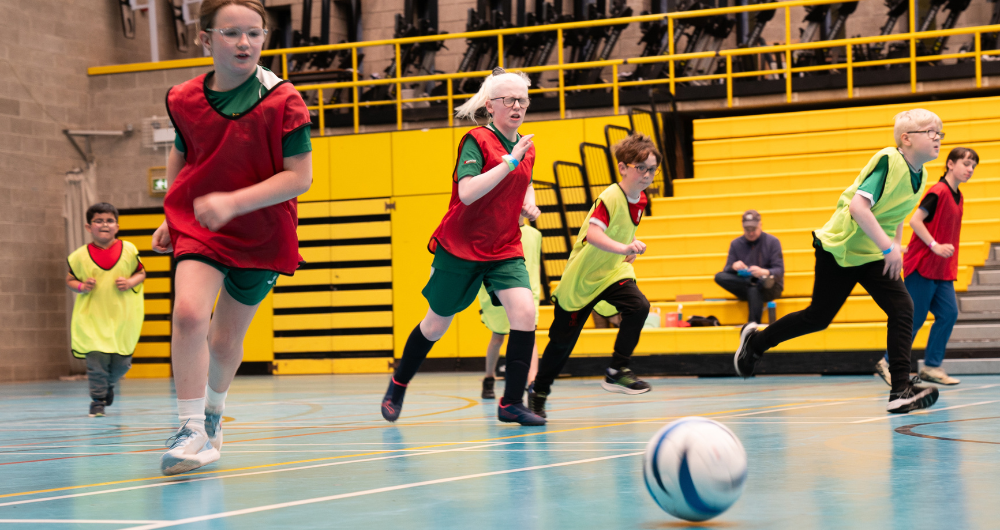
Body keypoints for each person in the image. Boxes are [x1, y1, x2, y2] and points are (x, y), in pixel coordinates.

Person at [151, 0, 313, 475]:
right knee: (187, 314)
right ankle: (190, 428)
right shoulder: (182, 98)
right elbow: (183, 154)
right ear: (204, 39)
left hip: (261, 230)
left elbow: (299, 177)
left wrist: (233, 202)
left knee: (223, 343)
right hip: (201, 226)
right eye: (232, 33)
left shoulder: (284, 100)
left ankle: (213, 415)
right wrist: (171, 212)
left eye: (255, 33)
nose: (245, 43)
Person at [734, 109, 943, 414]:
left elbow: (896, 213)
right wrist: (889, 247)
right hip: (840, 248)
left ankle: (900, 389)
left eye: (940, 132)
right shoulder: (889, 160)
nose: (937, 137)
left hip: (872, 253)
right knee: (818, 318)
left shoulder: (920, 174)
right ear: (907, 139)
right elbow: (859, 207)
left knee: (903, 308)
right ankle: (755, 342)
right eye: (931, 132)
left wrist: (895, 244)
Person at [380, 67, 545, 426]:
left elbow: (523, 182)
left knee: (525, 314)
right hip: (461, 246)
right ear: (491, 105)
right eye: (509, 100)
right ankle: (398, 383)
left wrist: (528, 201)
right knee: (436, 326)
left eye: (522, 100)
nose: (517, 106)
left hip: (503, 246)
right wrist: (510, 161)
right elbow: (468, 192)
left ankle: (511, 403)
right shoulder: (476, 140)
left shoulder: (525, 147)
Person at [529, 134, 657, 418]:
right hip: (582, 279)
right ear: (623, 167)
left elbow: (622, 229)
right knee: (561, 345)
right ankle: (538, 391)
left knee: (639, 307)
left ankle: (617, 369)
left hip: (612, 272)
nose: (647, 174)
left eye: (652, 169)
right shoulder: (610, 196)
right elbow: (594, 234)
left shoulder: (641, 199)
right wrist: (624, 245)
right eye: (641, 168)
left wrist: (629, 246)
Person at [875, 147, 978, 387]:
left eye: (973, 166)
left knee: (949, 313)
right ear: (950, 164)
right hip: (922, 265)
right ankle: (887, 362)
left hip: (942, 270)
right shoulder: (938, 191)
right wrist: (934, 245)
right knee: (915, 318)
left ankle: (932, 366)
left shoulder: (959, 196)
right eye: (965, 163)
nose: (970, 169)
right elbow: (915, 220)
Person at [66, 203, 146, 418]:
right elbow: (70, 280)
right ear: (88, 226)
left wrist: (130, 282)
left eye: (109, 220)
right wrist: (82, 287)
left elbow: (141, 273)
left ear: (117, 226)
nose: (104, 224)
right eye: (98, 220)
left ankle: (108, 385)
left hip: (123, 318)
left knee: (122, 364)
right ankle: (98, 400)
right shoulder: (79, 256)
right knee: (96, 363)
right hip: (92, 318)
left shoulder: (129, 249)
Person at [480, 218, 542, 399]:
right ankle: (489, 378)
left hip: (528, 291)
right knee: (498, 337)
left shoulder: (535, 235)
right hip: (501, 289)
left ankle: (532, 384)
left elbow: (535, 265)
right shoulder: (498, 230)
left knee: (531, 336)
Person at [714, 210, 784, 324]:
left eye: (754, 229)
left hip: (768, 286)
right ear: (742, 227)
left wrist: (762, 272)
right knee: (720, 277)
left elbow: (779, 271)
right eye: (747, 230)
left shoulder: (773, 242)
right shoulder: (735, 244)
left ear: (760, 225)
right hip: (745, 286)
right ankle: (752, 327)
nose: (751, 233)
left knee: (755, 286)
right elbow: (726, 271)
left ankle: (752, 325)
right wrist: (734, 266)